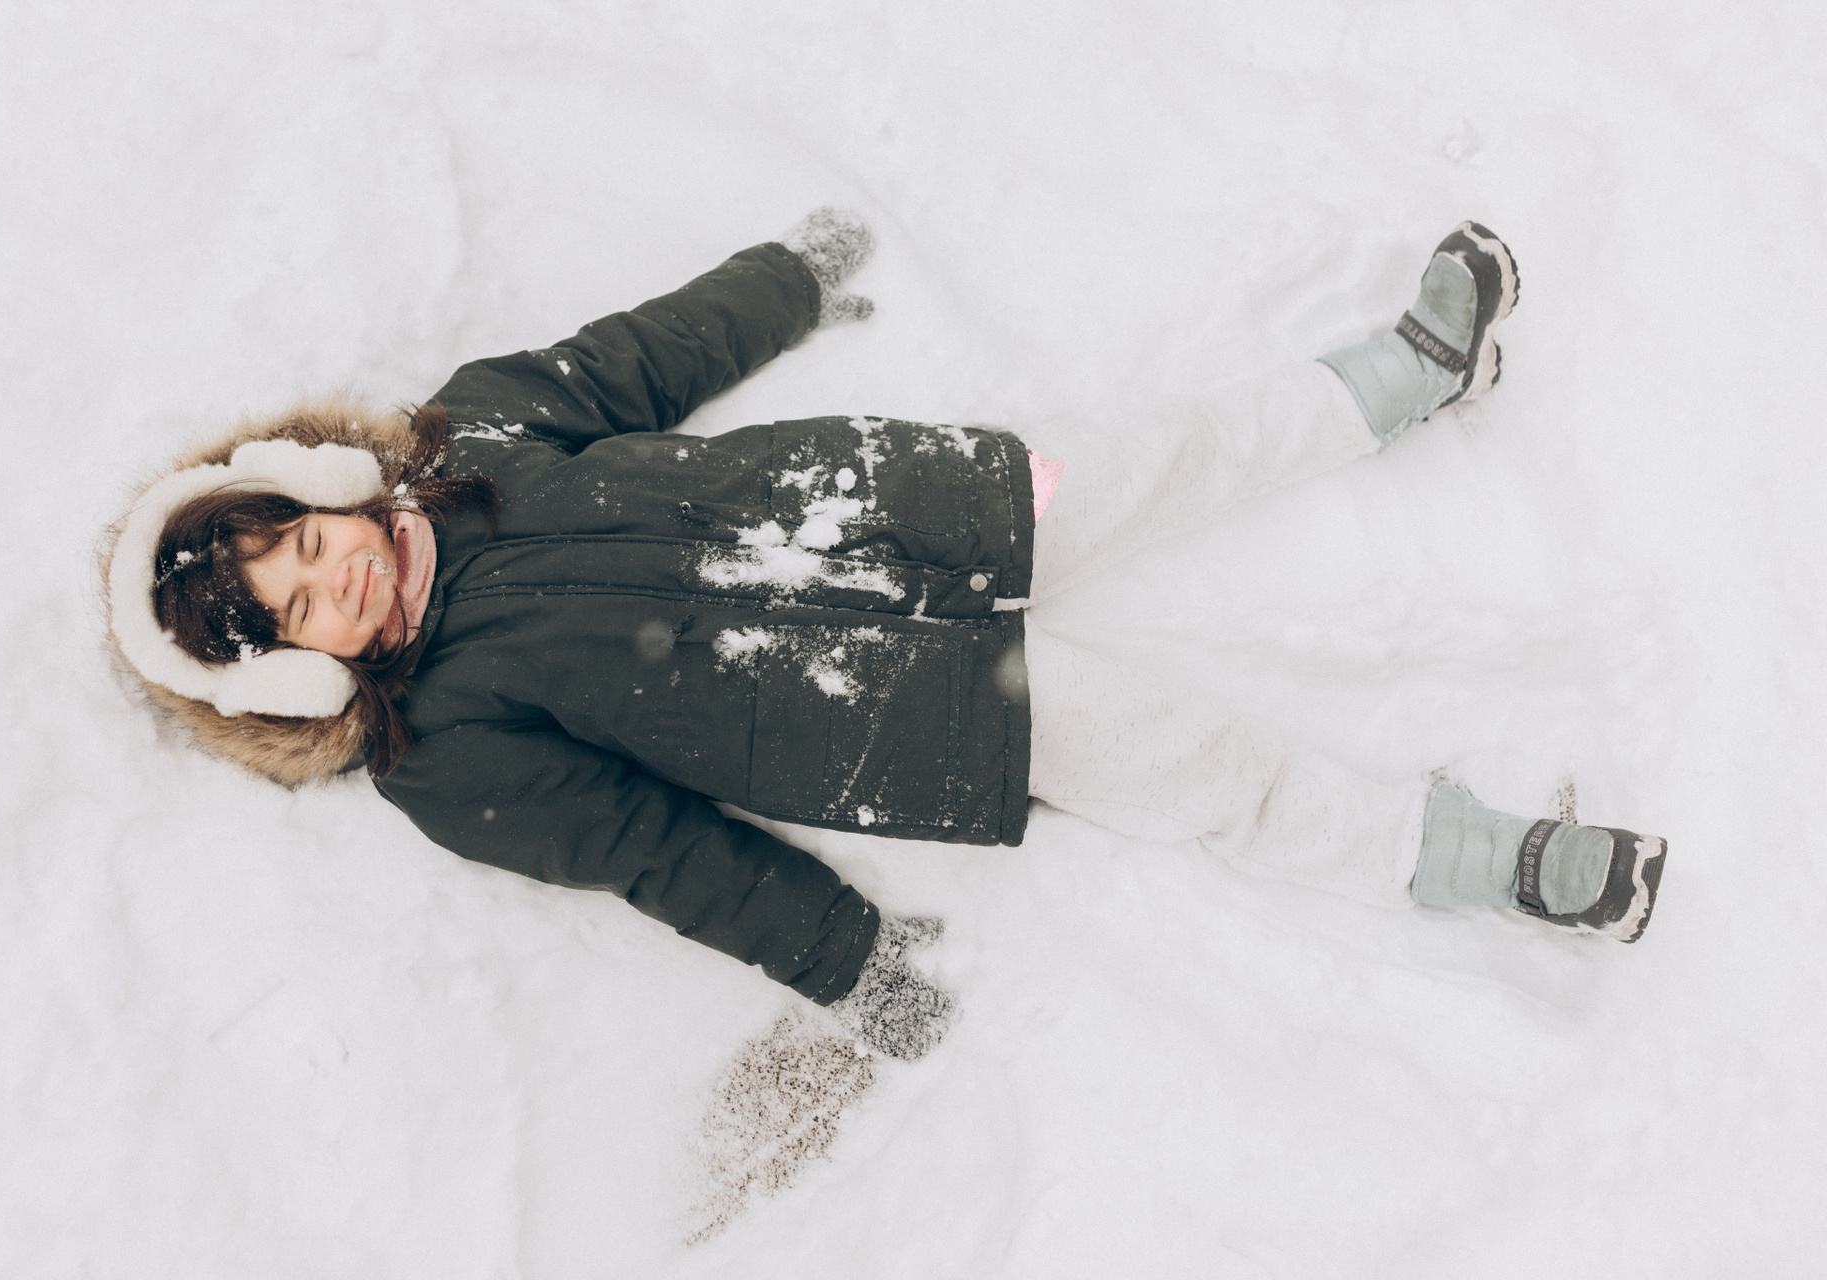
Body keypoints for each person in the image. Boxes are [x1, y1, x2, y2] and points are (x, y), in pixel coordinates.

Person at [102, 210, 1668, 1062]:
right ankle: (1492, 862)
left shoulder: (473, 435)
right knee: (1207, 774)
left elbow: (635, 361)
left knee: (1172, 454)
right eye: (295, 613)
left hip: (914, 510)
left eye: (300, 542)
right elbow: (647, 849)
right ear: (296, 670)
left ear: (311, 486)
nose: (332, 582)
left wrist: (786, 278)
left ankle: (1408, 375)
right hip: (908, 719)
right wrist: (837, 959)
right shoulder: (442, 753)